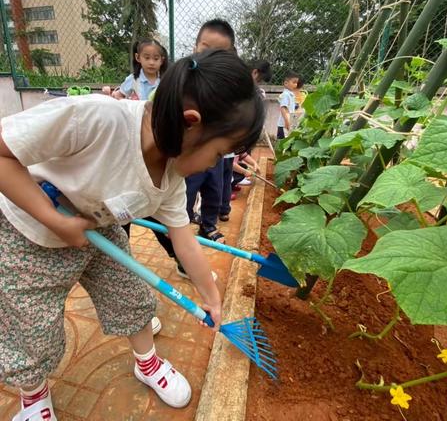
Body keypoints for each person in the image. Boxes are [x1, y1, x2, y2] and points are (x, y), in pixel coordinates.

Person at [0, 49, 264, 420]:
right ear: (191, 122)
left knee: (131, 297)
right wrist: (53, 220)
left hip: (97, 228)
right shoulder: (98, 118)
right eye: (219, 152)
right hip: (28, 233)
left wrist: (210, 295)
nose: (214, 165)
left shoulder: (172, 177)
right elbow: (2, 154)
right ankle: (33, 396)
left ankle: (147, 362)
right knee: (32, 326)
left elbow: (183, 238)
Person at [185, 19, 236, 244]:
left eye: (220, 52)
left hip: (215, 154)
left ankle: (208, 226)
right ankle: (182, 228)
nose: (211, 56)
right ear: (196, 47)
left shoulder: (229, 83)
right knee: (186, 193)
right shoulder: (185, 78)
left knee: (214, 191)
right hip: (190, 153)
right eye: (206, 48)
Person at [219, 60, 271, 221]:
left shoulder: (239, 139)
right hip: (223, 161)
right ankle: (218, 205)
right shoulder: (227, 135)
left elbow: (241, 155)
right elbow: (235, 161)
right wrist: (245, 171)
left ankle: (224, 206)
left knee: (227, 179)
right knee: (219, 182)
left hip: (229, 161)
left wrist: (254, 164)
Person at [104, 38, 168, 100]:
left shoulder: (165, 81)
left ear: (161, 60)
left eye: (156, 59)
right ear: (137, 57)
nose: (151, 63)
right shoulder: (133, 80)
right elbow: (119, 97)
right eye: (147, 58)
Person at [277, 71, 300, 140]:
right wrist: (287, 121)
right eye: (294, 82)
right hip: (284, 124)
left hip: (290, 123)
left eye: (296, 83)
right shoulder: (285, 95)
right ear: (286, 83)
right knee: (283, 144)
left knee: (288, 143)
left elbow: (292, 109)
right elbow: (283, 108)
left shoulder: (290, 94)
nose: (295, 85)